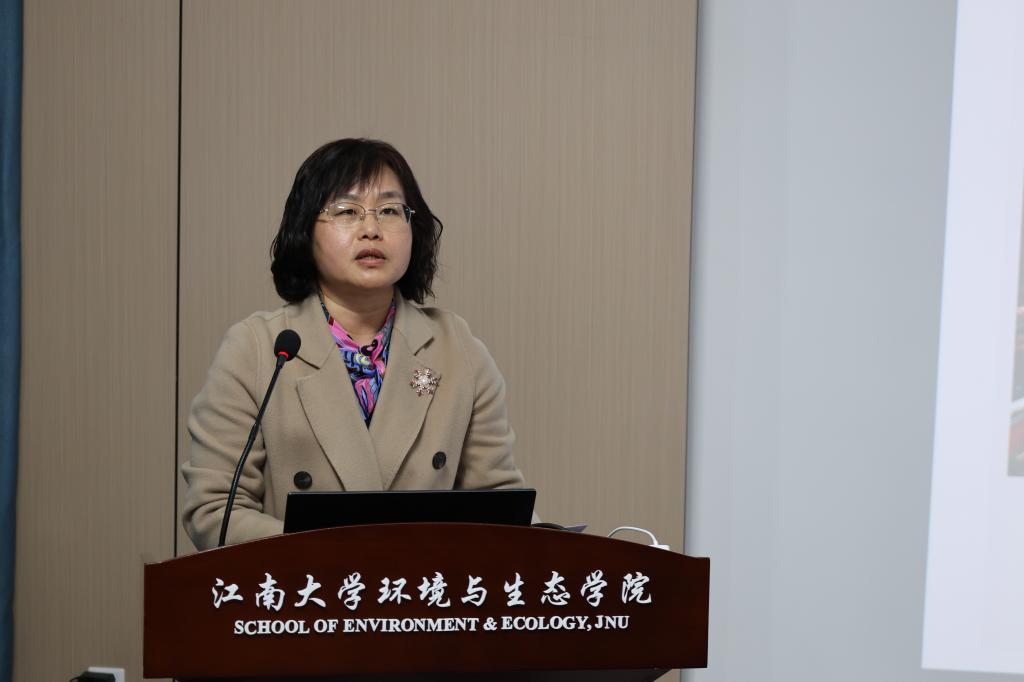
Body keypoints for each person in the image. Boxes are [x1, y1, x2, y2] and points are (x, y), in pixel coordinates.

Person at [182, 138, 529, 550]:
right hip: (306, 587)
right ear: (305, 230)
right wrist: (339, 556)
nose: (371, 229)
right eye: (347, 211)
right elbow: (215, 511)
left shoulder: (458, 350)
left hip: (423, 589)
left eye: (389, 211)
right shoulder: (259, 349)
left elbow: (502, 509)